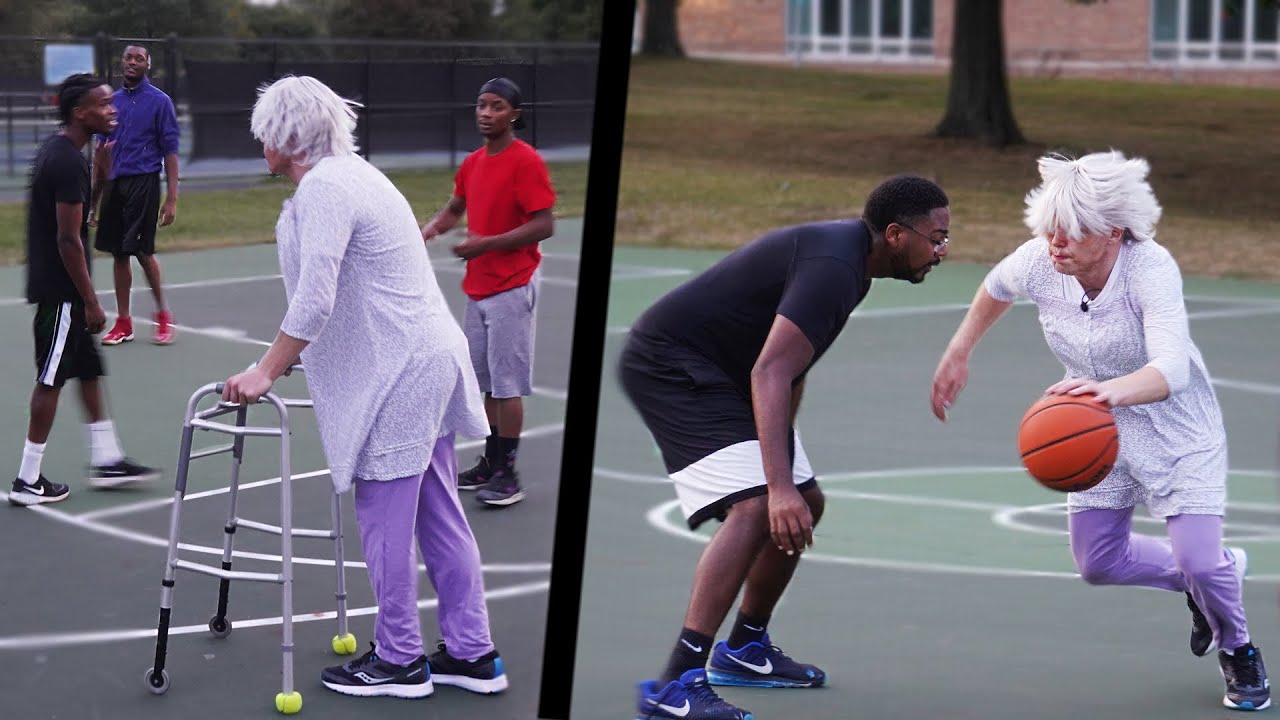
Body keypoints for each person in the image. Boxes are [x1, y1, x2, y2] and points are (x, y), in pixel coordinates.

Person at [930, 150, 1269, 712]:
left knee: (1201, 560)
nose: (1055, 242)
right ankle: (1205, 577)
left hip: (1175, 426)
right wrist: (958, 352)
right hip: (1096, 428)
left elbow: (1171, 371)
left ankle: (1238, 649)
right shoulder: (1042, 260)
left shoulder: (1151, 267)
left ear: (1113, 231)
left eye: (1071, 232)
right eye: (1049, 229)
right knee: (1098, 564)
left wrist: (1106, 393)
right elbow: (996, 285)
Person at [620, 176, 952, 720]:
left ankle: (746, 649)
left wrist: (788, 474)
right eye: (937, 238)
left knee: (806, 501)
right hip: (672, 365)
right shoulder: (835, 270)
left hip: (725, 373)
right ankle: (674, 684)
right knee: (755, 510)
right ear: (895, 234)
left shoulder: (854, 270)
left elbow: (790, 372)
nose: (942, 251)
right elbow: (771, 370)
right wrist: (773, 486)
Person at [224, 75, 509, 700]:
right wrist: (284, 360)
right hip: (422, 358)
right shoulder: (355, 175)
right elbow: (347, 294)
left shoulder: (327, 186)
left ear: (284, 136)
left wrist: (266, 369)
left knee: (383, 519)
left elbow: (315, 299)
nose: (259, 145)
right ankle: (471, 651)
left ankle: (400, 658)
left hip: (400, 371)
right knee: (438, 512)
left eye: (264, 135)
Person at [10, 73, 161, 507]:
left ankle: (108, 459)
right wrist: (91, 301)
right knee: (51, 378)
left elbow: (80, 221)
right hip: (61, 292)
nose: (113, 109)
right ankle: (27, 479)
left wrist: (99, 179)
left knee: (88, 368)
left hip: (66, 289)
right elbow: (67, 240)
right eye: (104, 104)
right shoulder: (65, 160)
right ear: (81, 112)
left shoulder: (69, 155)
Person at [420, 77, 556, 508]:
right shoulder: (474, 162)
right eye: (481, 105)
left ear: (514, 114)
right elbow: (457, 205)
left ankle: (508, 474)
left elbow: (543, 224)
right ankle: (491, 462)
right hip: (478, 288)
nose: (485, 113)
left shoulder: (526, 161)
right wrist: (428, 229)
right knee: (485, 382)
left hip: (511, 287)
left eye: (496, 106)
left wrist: (485, 244)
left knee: (507, 385)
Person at [90, 44, 179, 346]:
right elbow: (101, 155)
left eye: (139, 59)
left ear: (147, 66)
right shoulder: (110, 102)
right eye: (128, 57)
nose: (132, 62)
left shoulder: (159, 102)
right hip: (116, 185)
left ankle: (163, 315)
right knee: (119, 253)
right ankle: (124, 322)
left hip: (145, 182)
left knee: (143, 252)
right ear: (122, 62)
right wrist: (94, 201)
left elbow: (170, 151)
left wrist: (172, 198)